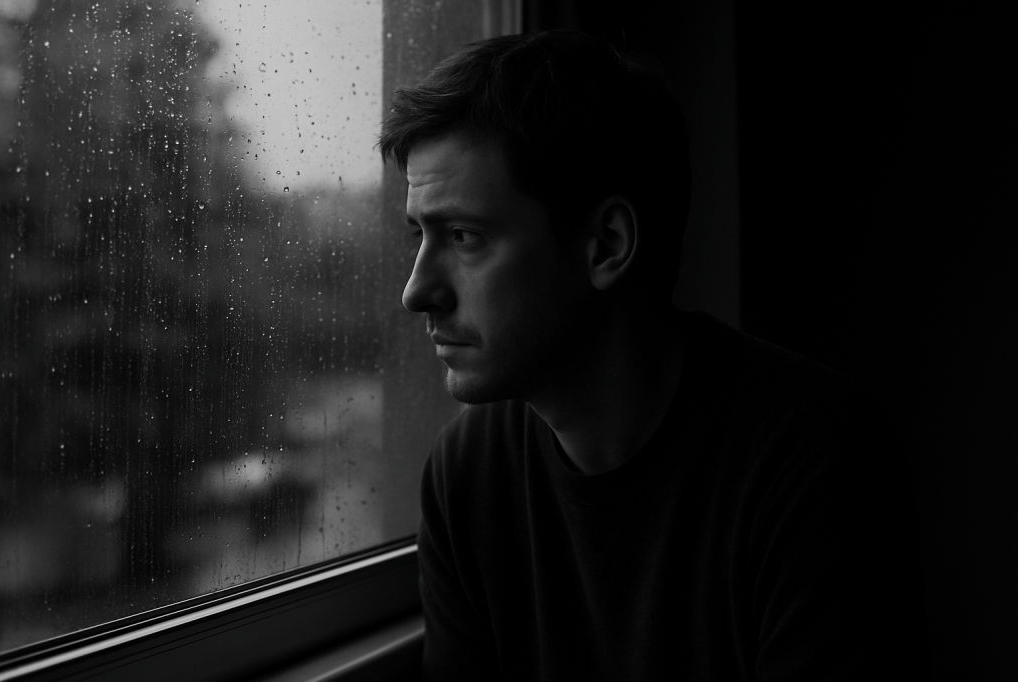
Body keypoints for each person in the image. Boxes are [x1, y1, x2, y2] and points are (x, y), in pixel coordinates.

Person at [378, 30, 929, 681]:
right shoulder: (466, 475)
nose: (417, 291)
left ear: (607, 245)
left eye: (465, 236)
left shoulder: (814, 463)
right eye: (419, 235)